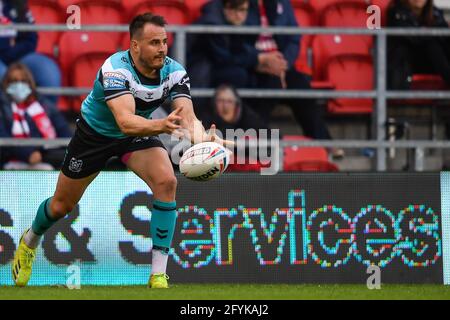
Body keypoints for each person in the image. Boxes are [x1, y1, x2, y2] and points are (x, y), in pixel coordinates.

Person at [11, 13, 232, 289]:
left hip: (140, 133)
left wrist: (203, 139)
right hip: (96, 135)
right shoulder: (115, 69)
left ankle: (158, 275)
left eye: (164, 42)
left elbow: (188, 115)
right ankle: (30, 240)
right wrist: (162, 125)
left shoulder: (174, 71)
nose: (162, 48)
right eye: (154, 43)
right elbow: (126, 122)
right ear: (135, 46)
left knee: (166, 181)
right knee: (61, 206)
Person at [196, 0, 343, 158]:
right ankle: (262, 146)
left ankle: (323, 143)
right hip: (253, 64)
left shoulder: (282, 3)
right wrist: (260, 60)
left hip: (280, 64)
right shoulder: (239, 4)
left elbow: (294, 38)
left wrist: (282, 64)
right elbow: (237, 40)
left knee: (301, 86)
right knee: (270, 85)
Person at [0, 63, 71, 170]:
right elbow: (4, 138)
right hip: (12, 160)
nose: (19, 85)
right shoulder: (2, 107)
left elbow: (64, 132)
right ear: (6, 84)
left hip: (46, 156)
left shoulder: (45, 105)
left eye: (23, 81)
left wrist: (40, 153)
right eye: (14, 81)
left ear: (30, 83)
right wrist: (28, 154)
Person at [0, 0, 61, 104]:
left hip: (18, 54)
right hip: (6, 56)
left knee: (48, 72)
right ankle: (8, 117)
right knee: (5, 76)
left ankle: (46, 115)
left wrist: (10, 52)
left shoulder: (17, 4)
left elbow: (31, 38)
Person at [387, 0, 450, 89]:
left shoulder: (435, 13)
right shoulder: (397, 13)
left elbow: (445, 37)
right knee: (432, 45)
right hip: (407, 64)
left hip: (433, 61)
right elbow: (415, 39)